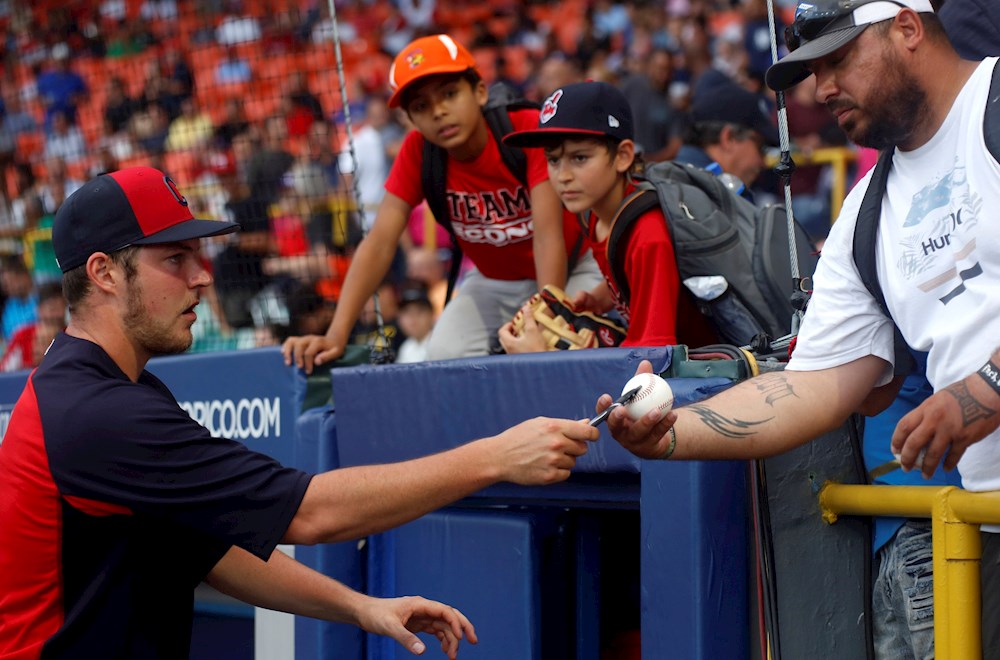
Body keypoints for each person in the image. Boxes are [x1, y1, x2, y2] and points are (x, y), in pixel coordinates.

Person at [0, 166, 600, 658]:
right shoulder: (97, 410)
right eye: (176, 258)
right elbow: (312, 514)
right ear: (104, 272)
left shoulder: (103, 387)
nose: (204, 277)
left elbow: (204, 548)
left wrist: (360, 606)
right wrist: (496, 456)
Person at [596, 1, 1000, 656]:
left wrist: (986, 384)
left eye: (838, 58)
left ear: (908, 27)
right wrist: (672, 435)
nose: (822, 88)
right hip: (986, 521)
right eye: (812, 71)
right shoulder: (865, 215)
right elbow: (811, 386)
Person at [282, 34, 602, 370]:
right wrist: (337, 334)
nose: (439, 112)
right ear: (410, 119)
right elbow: (378, 243)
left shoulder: (522, 128)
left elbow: (547, 234)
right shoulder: (418, 152)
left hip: (571, 267)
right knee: (444, 360)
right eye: (421, 106)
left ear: (479, 92)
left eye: (450, 94)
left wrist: (544, 314)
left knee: (561, 350)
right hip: (495, 281)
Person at [498, 81, 717, 353]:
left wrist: (541, 360)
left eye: (579, 158)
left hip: (708, 371)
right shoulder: (593, 213)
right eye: (553, 160)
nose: (562, 176)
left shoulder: (647, 234)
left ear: (623, 156)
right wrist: (601, 298)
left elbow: (650, 362)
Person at [675, 77, 779, 198]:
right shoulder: (704, 199)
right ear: (729, 138)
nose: (763, 163)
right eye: (761, 147)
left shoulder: (676, 185)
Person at [0, 281, 66, 373]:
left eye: (61, 308)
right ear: (39, 309)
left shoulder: (70, 334)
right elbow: (4, 370)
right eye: (52, 309)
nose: (57, 314)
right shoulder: (22, 335)